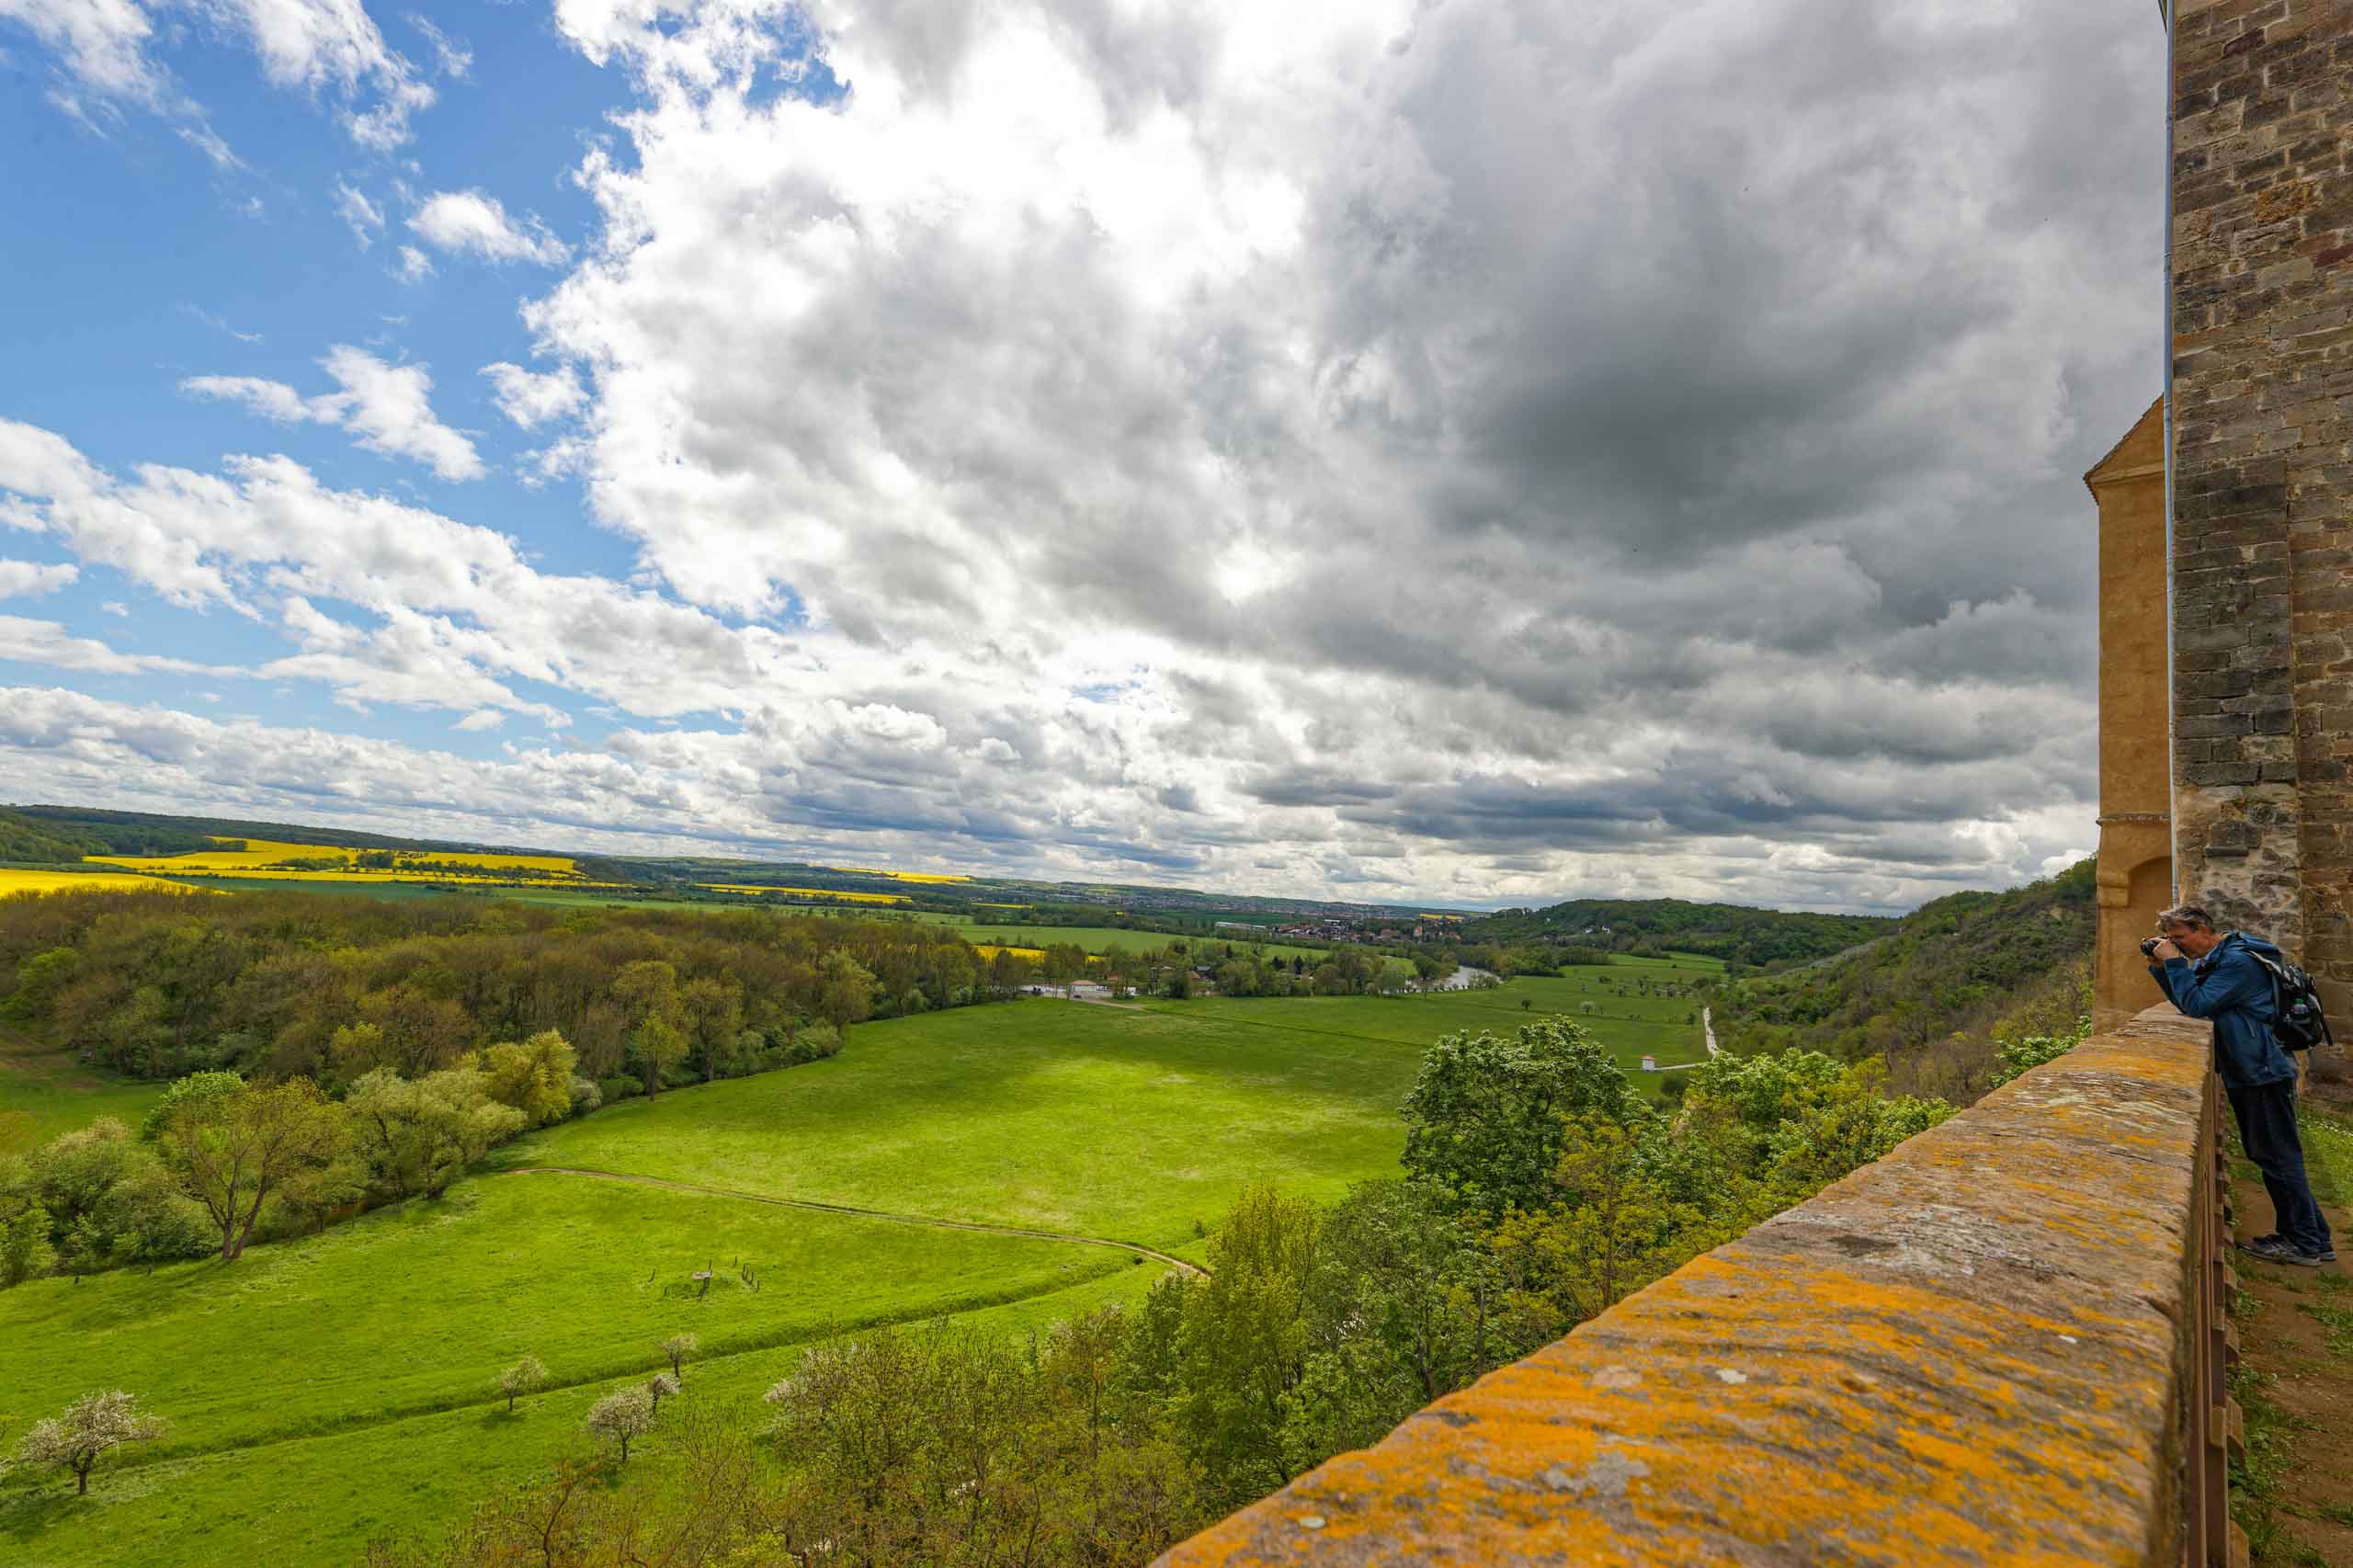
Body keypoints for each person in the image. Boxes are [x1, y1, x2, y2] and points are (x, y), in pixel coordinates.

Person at [2148, 904, 2336, 1266]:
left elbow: (2198, 1004)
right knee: (2276, 1155)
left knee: (2278, 1157)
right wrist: (2162, 967)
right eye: (2171, 941)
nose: (2178, 946)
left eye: (2181, 938)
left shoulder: (2238, 963)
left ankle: (2305, 1243)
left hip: (2261, 1070)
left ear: (2203, 929)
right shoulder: (2217, 959)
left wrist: (2174, 963)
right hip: (2252, 1067)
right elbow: (2187, 1003)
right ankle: (2315, 1238)